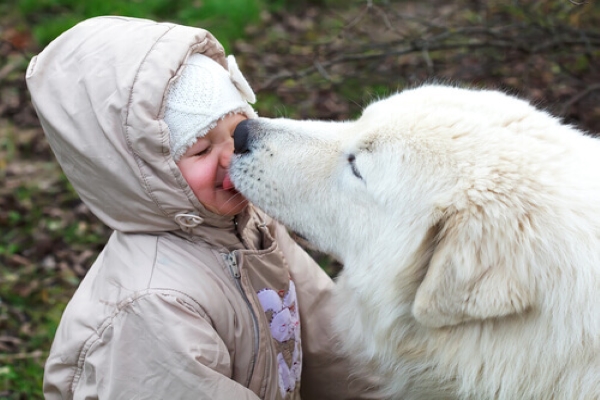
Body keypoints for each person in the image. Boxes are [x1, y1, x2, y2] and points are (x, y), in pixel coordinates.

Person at [26, 16, 381, 400]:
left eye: (238, 132)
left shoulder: (255, 226)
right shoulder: (152, 305)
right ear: (140, 172)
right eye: (200, 149)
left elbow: (330, 342)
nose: (231, 157)